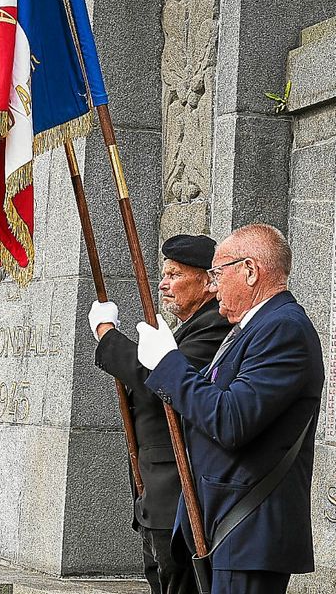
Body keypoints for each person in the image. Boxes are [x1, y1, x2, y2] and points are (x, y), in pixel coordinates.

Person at [136, 224, 322, 594]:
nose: (214, 285)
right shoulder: (252, 327)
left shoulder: (283, 329)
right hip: (225, 526)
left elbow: (231, 419)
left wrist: (168, 364)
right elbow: (207, 399)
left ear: (250, 271)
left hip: (249, 528)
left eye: (219, 273)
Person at [89, 234, 231, 594]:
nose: (164, 284)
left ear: (209, 282)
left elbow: (158, 381)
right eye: (163, 274)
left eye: (175, 274)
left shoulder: (215, 327)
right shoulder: (190, 328)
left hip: (177, 495)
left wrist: (107, 335)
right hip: (156, 493)